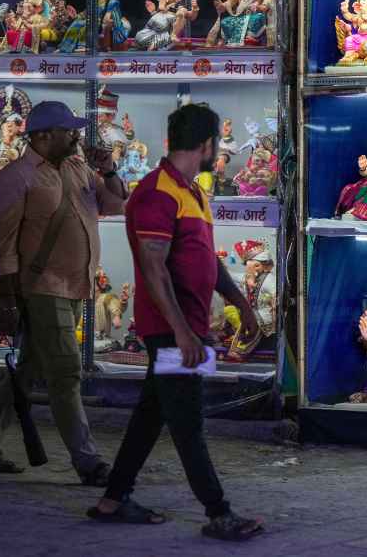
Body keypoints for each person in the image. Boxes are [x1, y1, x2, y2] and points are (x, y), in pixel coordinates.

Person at [87, 104, 264, 541]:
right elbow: (153, 269)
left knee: (154, 413)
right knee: (188, 420)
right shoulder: (156, 192)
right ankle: (218, 511)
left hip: (191, 325)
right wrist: (182, 333)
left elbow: (204, 257)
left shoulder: (192, 191)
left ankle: (113, 498)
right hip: (172, 328)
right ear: (207, 145)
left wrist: (240, 300)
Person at [0, 101, 128, 485]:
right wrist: (7, 297)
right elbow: (2, 247)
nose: (76, 135)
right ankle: (87, 462)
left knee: (31, 369)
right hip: (43, 288)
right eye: (68, 130)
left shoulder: (78, 167)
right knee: (66, 374)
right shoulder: (14, 179)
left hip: (77, 285)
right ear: (43, 136)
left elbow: (116, 203)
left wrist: (109, 169)